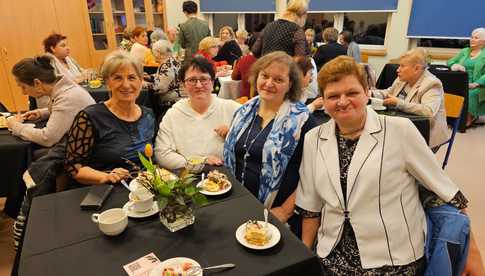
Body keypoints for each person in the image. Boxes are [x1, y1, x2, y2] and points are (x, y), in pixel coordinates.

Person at [296, 56, 483, 275]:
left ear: (367, 93)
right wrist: (305, 256)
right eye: (333, 96)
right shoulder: (314, 138)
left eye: (352, 93)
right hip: (332, 253)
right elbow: (311, 205)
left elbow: (442, 188)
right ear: (323, 101)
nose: (343, 101)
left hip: (393, 258)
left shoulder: (400, 130)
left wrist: (472, 251)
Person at [223, 51, 317, 237]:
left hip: (276, 217)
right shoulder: (244, 111)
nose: (269, 83)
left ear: (290, 84)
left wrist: (284, 210)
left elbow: (313, 176)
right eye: (264, 76)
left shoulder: (302, 121)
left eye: (278, 79)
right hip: (236, 205)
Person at [64, 51, 155, 187]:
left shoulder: (148, 115)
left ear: (141, 81)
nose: (125, 85)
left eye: (131, 77)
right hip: (108, 191)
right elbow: (74, 167)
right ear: (107, 82)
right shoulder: (90, 117)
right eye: (118, 78)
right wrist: (106, 176)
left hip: (144, 189)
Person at [154, 57, 240, 170]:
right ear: (183, 85)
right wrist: (199, 164)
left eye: (204, 79)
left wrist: (231, 135)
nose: (198, 85)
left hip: (226, 177)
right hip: (187, 178)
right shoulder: (173, 114)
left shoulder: (232, 109)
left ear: (213, 82)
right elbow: (162, 153)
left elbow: (251, 145)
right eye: (192, 80)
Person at [7, 56, 94, 148]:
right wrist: (42, 113)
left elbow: (47, 138)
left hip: (88, 151)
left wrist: (15, 126)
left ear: (37, 83)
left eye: (23, 87)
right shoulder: (66, 89)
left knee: (36, 155)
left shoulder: (67, 98)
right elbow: (69, 111)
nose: (23, 92)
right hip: (84, 143)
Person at [372, 48, 448, 150]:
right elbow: (389, 93)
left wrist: (398, 103)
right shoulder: (403, 78)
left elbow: (428, 111)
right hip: (403, 128)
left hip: (425, 134)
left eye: (402, 66)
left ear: (416, 68)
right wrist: (370, 93)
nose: (398, 69)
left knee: (387, 149)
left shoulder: (432, 84)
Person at [448, 27, 485, 127]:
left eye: (476, 38)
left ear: (483, 41)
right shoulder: (465, 51)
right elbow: (450, 61)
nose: (472, 39)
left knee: (470, 94)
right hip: (461, 82)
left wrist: (476, 83)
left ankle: (468, 118)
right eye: (471, 37)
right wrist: (454, 66)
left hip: (478, 85)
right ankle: (451, 117)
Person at [150, 40, 183, 118]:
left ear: (158, 53)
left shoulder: (166, 66)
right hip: (177, 94)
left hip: (170, 100)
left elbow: (160, 88)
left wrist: (144, 84)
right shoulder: (172, 60)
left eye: (153, 52)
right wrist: (150, 77)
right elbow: (164, 77)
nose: (153, 55)